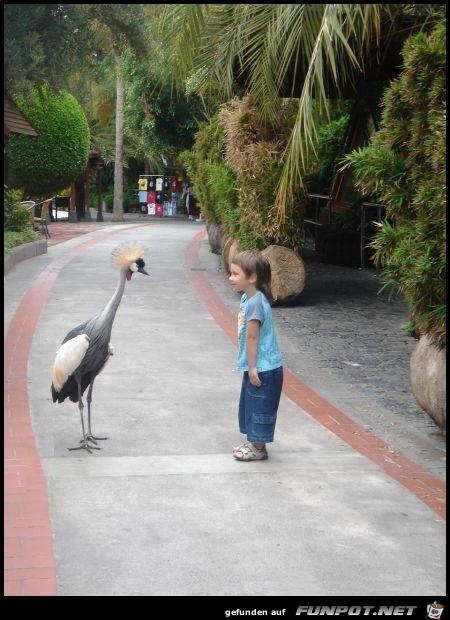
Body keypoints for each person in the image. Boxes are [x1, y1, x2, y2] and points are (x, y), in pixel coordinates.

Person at [229, 250, 283, 461]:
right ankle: (255, 443)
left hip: (263, 368)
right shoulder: (249, 298)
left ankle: (258, 448)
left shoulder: (255, 303)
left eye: (235, 274)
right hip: (258, 366)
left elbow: (252, 337)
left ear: (252, 278)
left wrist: (252, 368)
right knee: (252, 404)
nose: (230, 278)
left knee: (260, 406)